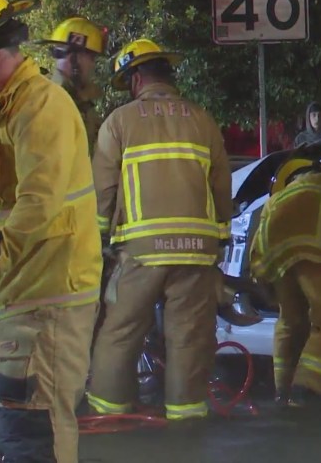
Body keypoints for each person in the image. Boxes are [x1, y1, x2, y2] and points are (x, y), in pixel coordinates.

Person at [0, 0, 102, 463]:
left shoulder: (39, 107)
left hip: (46, 300)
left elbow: (38, 200)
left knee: (30, 434)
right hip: (16, 299)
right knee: (12, 427)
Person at [88, 38, 232, 422]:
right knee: (189, 338)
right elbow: (221, 186)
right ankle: (185, 419)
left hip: (140, 251)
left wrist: (100, 240)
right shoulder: (203, 119)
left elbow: (103, 191)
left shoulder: (119, 122)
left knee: (120, 332)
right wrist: (218, 237)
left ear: (136, 78)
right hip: (196, 252)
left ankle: (110, 414)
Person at [249, 155, 321, 407]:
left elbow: (259, 234)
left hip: (271, 248)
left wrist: (264, 283)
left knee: (290, 319)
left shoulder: (282, 194)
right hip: (314, 242)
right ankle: (307, 390)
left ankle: (283, 390)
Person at [35, 16, 107, 157]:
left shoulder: (83, 104)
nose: (93, 65)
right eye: (91, 58)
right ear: (74, 58)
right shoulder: (43, 99)